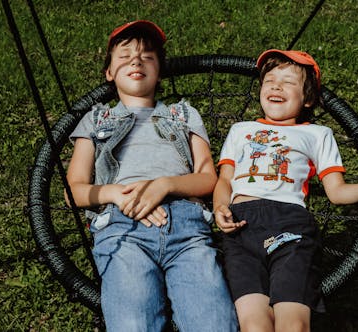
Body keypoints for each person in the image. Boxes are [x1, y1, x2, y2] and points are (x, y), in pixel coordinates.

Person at [213, 49, 358, 332]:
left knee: (293, 324)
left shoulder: (317, 134)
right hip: (240, 227)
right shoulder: (241, 130)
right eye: (270, 79)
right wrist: (219, 208)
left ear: (308, 98)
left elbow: (336, 192)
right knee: (253, 324)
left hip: (289, 224)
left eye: (288, 81)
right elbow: (225, 181)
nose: (276, 85)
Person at [66, 20, 238, 331]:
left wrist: (165, 184)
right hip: (123, 230)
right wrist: (113, 194)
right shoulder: (95, 119)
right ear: (109, 72)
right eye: (125, 55)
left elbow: (208, 178)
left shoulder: (183, 115)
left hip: (188, 230)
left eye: (147, 56)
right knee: (134, 323)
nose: (136, 60)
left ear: (159, 72)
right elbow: (73, 190)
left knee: (213, 322)